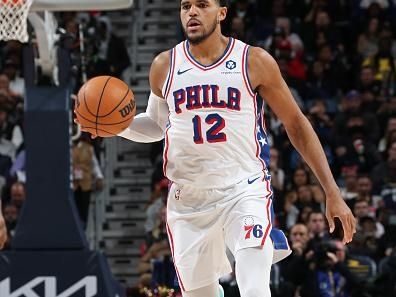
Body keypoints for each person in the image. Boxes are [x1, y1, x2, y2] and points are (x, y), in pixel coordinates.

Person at [76, 1, 356, 296]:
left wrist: (332, 192)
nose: (192, 12)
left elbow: (296, 124)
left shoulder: (253, 61)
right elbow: (158, 126)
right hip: (189, 200)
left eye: (202, 5)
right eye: (186, 6)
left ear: (222, 12)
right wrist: (117, 125)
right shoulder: (164, 66)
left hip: (243, 189)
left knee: (254, 287)